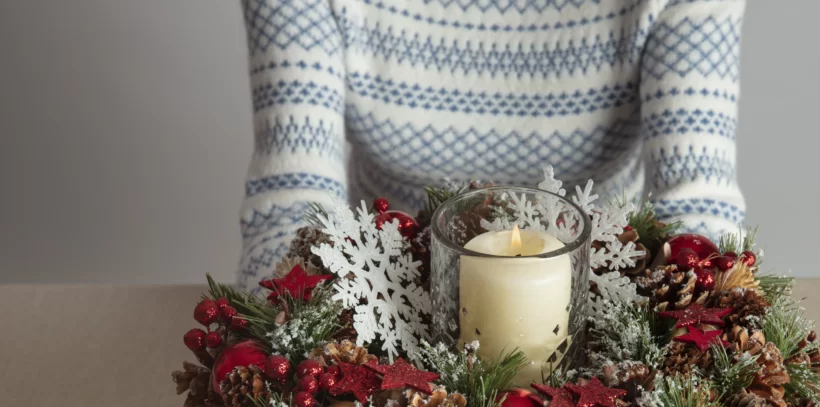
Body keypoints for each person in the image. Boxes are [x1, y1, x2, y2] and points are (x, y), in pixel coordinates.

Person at [238, 0, 746, 289]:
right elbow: (293, 193)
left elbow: (696, 197)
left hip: (609, 312)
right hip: (382, 306)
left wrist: (695, 337)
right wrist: (289, 340)